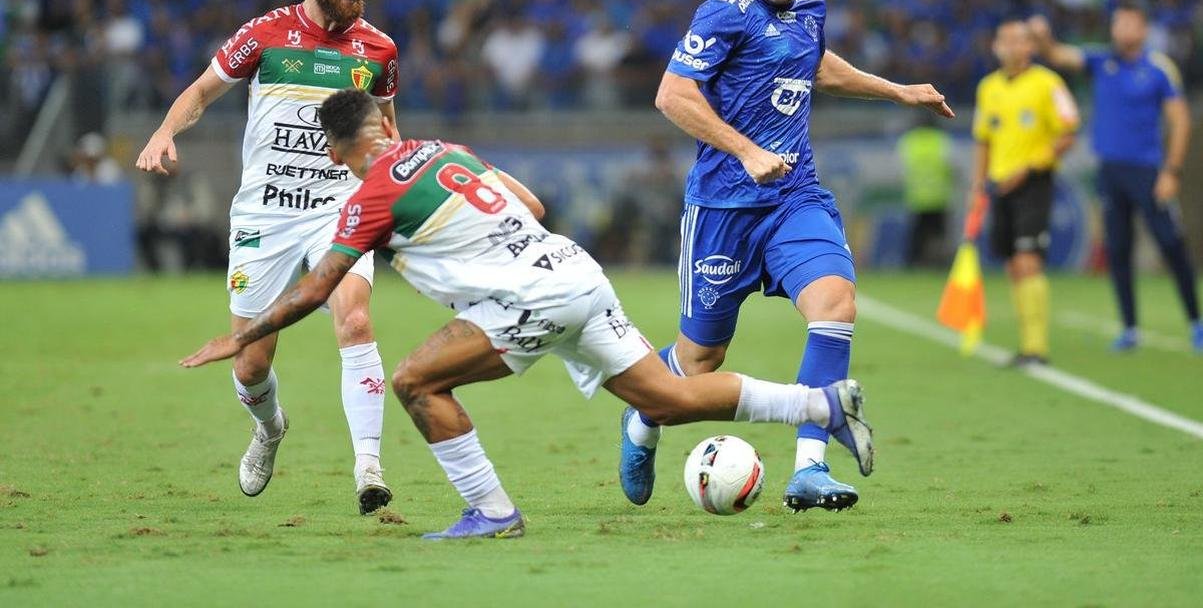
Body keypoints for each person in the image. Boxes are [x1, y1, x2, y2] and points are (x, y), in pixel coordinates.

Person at [179, 88, 875, 539]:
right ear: (385, 124)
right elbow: (534, 206)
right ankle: (819, 406)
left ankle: (490, 512)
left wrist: (241, 335)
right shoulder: (446, 152)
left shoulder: (367, 200)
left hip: (528, 300)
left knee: (416, 381)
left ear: (336, 152)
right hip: (574, 271)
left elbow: (314, 289)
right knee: (664, 397)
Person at [619, 0, 953, 514]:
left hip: (794, 197)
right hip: (723, 208)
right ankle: (643, 419)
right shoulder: (723, 14)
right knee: (698, 359)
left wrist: (897, 91)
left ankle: (810, 468)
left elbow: (816, 66)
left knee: (836, 303)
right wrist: (745, 150)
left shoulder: (811, 5)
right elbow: (672, 94)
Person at [135, 0, 400, 514]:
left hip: (338, 209)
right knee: (251, 360)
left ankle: (369, 468)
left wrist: (391, 193)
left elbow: (385, 131)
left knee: (355, 321)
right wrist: (164, 132)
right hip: (266, 215)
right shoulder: (266, 34)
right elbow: (201, 92)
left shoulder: (379, 49)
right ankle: (271, 428)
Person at [1029, 5, 1202, 352]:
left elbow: (1180, 121)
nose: (1118, 29)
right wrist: (1044, 38)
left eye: (1126, 23)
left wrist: (1171, 171)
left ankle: (1196, 322)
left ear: (1142, 28)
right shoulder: (1100, 61)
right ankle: (1130, 328)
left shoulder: (1158, 69)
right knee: (1118, 249)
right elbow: (1057, 55)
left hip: (1148, 171)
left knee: (1171, 244)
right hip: (1110, 171)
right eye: (1116, 23)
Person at [969, 20, 1079, 365]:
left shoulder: (1049, 83)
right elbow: (984, 139)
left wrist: (1031, 167)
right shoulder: (988, 88)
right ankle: (1027, 343)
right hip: (1000, 184)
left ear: (1030, 47)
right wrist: (979, 185)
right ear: (996, 46)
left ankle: (1037, 347)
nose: (1012, 47)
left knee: (1029, 260)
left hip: (1033, 182)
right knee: (1013, 264)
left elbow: (1067, 132)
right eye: (1005, 40)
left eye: (1020, 41)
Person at [896, 115, 955, 267]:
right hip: (939, 197)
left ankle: (914, 263)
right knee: (939, 234)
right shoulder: (941, 140)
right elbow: (952, 167)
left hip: (917, 197)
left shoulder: (909, 141)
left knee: (917, 235)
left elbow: (900, 170)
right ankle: (939, 262)